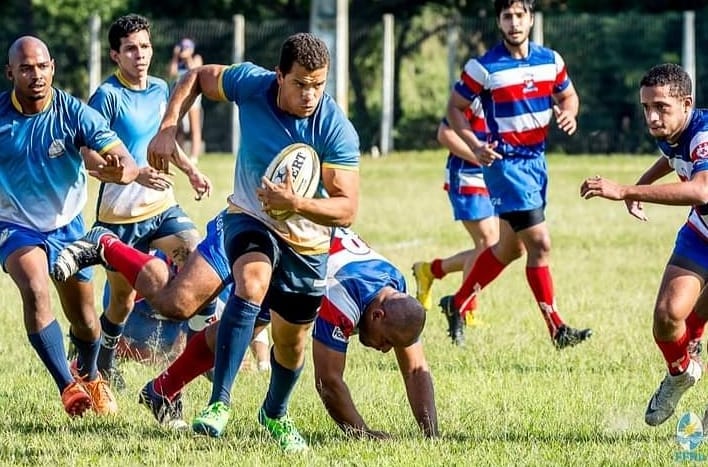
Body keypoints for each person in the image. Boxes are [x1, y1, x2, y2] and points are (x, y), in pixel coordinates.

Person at [146, 32, 360, 452]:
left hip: (308, 244)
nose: (311, 94)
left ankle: (274, 414)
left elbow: (347, 209)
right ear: (279, 75)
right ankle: (219, 403)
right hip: (249, 218)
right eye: (300, 83)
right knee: (252, 281)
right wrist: (169, 126)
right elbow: (198, 77)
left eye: (319, 84)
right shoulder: (251, 84)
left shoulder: (335, 128)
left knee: (291, 342)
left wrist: (294, 202)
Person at [440, 0, 592, 349]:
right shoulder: (484, 68)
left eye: (519, 15)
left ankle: (457, 303)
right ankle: (557, 328)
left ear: (530, 18)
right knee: (540, 243)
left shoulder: (550, 60)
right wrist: (474, 144)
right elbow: (454, 108)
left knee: (509, 249)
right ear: (499, 21)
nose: (513, 23)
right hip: (504, 165)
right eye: (507, 16)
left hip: (536, 163)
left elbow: (569, 96)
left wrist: (570, 113)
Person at [0, 36, 138, 417]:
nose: (36, 75)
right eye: (26, 68)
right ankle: (68, 387)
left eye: (42, 66)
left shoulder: (74, 113)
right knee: (35, 288)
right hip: (15, 226)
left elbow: (124, 159)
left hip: (68, 228)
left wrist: (120, 170)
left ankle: (90, 374)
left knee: (86, 321)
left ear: (53, 68)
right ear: (10, 72)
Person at [85, 14, 211, 390]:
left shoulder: (160, 88)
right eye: (130, 49)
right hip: (119, 218)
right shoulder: (106, 97)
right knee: (120, 304)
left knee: (195, 254)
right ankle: (102, 358)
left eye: (144, 46)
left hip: (162, 209)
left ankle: (197, 354)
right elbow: (91, 160)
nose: (139, 54)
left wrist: (189, 169)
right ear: (115, 55)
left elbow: (164, 142)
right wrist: (134, 172)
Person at [580, 63, 708, 426]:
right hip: (703, 231)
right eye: (646, 107)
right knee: (668, 317)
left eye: (661, 108)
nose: (652, 117)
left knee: (697, 316)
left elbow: (702, 188)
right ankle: (681, 373)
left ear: (686, 103)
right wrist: (641, 183)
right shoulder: (675, 128)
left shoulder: (704, 134)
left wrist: (627, 189)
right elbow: (672, 157)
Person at [413, 98, 499, 345]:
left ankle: (430, 271)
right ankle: (466, 307)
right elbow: (444, 134)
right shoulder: (473, 96)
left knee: (491, 246)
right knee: (488, 243)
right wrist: (476, 153)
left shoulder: (507, 92)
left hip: (492, 177)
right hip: (466, 177)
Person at [168, 37, 203, 162]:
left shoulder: (196, 58)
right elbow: (171, 73)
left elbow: (195, 70)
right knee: (179, 128)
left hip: (193, 97)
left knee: (194, 126)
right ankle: (178, 154)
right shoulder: (177, 62)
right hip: (178, 98)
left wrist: (188, 58)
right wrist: (175, 57)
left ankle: (194, 156)